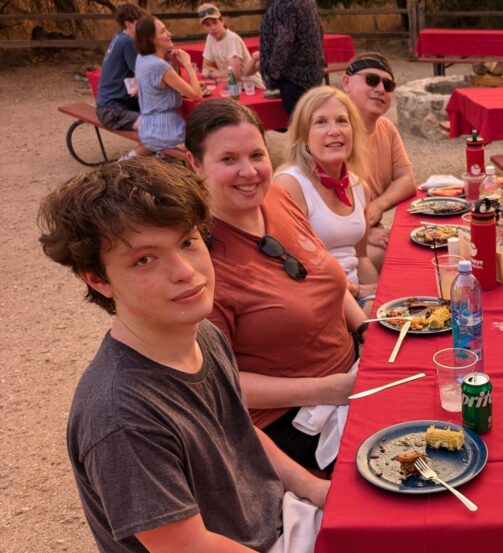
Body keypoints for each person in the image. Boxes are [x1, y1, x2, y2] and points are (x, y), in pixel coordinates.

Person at [38, 158, 328, 552]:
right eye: (145, 259)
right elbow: (187, 547)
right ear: (98, 279)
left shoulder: (201, 334)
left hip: (280, 521)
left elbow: (241, 432)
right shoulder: (120, 416)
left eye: (188, 242)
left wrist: (314, 488)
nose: (184, 272)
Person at [185, 99, 364, 471]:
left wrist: (366, 330)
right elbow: (218, 382)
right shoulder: (201, 261)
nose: (248, 172)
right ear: (195, 165)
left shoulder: (279, 196)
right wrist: (326, 389)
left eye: (256, 155)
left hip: (352, 373)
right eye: (229, 159)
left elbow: (324, 274)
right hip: (291, 419)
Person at [277, 86, 379, 314]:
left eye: (342, 121)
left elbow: (361, 257)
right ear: (303, 136)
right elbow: (291, 269)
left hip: (358, 297)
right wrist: (359, 292)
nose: (334, 131)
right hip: (315, 302)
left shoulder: (359, 186)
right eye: (321, 122)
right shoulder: (290, 186)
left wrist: (379, 296)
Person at [340, 52, 416, 269]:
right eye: (371, 80)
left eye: (388, 84)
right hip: (336, 243)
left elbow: (407, 180)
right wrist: (365, 230)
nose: (380, 89)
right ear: (346, 83)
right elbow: (323, 208)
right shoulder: (334, 134)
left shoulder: (386, 128)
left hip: (366, 229)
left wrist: (377, 206)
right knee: (402, 259)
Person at [132, 15, 202, 157]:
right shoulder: (159, 66)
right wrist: (188, 64)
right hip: (166, 130)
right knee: (206, 132)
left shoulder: (142, 58)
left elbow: (164, 84)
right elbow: (196, 95)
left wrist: (174, 65)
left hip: (148, 127)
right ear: (152, 39)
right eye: (163, 31)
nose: (169, 34)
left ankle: (125, 162)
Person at [259, 0, 324, 117]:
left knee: (300, 127)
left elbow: (284, 40)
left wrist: (272, 74)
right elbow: (320, 30)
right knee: (308, 123)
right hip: (310, 74)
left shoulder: (286, 3)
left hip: (294, 78)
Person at [95, 3, 146, 132]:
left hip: (107, 105)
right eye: (140, 23)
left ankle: (150, 146)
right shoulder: (127, 42)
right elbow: (142, 74)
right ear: (129, 24)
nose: (143, 27)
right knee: (155, 123)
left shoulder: (119, 38)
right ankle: (137, 152)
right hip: (113, 111)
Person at [197, 2, 264, 88]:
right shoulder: (210, 38)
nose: (213, 28)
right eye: (208, 25)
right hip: (232, 87)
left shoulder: (232, 39)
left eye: (215, 22)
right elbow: (205, 68)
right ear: (204, 27)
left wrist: (212, 74)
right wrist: (222, 74)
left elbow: (233, 76)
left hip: (252, 87)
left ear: (222, 21)